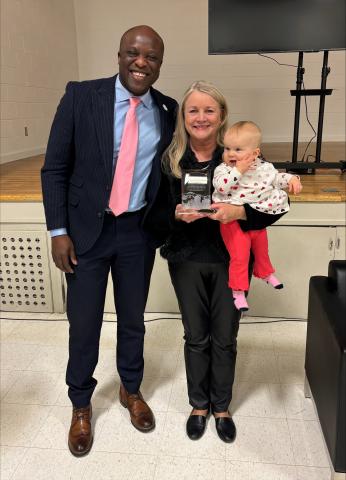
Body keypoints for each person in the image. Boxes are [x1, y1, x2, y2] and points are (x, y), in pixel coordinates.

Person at [41, 25, 177, 456]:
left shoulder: (167, 109)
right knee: (84, 325)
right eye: (134, 54)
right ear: (120, 55)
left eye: (151, 56)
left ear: (159, 63)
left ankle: (130, 390)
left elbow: (173, 169)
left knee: (134, 319)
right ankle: (80, 403)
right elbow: (55, 169)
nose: (142, 62)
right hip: (86, 235)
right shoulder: (82, 97)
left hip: (137, 232)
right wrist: (58, 231)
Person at [160, 81, 288, 443]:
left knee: (225, 338)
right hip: (185, 258)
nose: (201, 117)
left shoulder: (240, 156)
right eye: (193, 110)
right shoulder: (169, 160)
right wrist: (173, 214)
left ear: (221, 117)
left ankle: (222, 406)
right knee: (196, 337)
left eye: (209, 110)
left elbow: (275, 207)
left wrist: (240, 212)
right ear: (183, 118)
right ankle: (199, 404)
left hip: (228, 261)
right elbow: (152, 215)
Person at [212, 121, 302, 311]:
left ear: (255, 153)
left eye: (238, 149)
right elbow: (221, 186)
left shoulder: (264, 168)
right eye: (227, 148)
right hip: (232, 222)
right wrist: (238, 170)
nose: (230, 154)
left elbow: (277, 177)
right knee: (240, 255)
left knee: (261, 249)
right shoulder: (224, 169)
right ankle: (238, 292)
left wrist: (292, 179)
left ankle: (265, 273)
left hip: (255, 217)